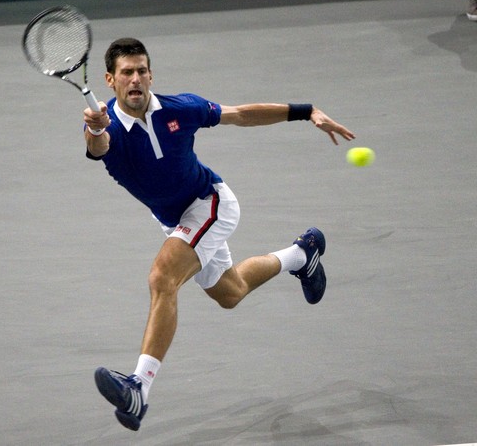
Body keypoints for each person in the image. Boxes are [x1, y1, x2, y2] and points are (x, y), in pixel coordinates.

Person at [82, 37, 356, 431]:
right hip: (175, 220)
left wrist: (307, 111)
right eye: (127, 72)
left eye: (142, 70)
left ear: (151, 74)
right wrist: (95, 129)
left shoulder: (181, 108)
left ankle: (139, 386)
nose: (136, 78)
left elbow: (241, 114)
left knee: (163, 277)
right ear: (111, 80)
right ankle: (302, 254)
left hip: (210, 203)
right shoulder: (102, 124)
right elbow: (98, 146)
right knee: (231, 292)